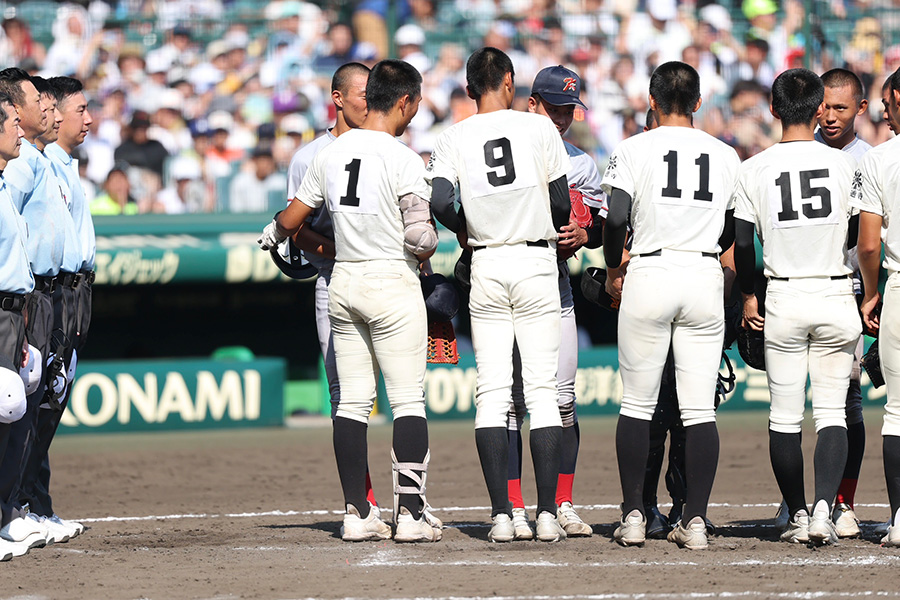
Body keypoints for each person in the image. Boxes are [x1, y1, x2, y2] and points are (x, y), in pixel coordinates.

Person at [258, 59, 440, 543]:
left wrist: (272, 231)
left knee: (352, 404)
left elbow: (292, 218)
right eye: (416, 104)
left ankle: (358, 513)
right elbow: (421, 238)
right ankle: (412, 515)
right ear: (402, 101)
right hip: (390, 282)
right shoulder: (404, 158)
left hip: (343, 283)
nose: (416, 113)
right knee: (406, 400)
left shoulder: (329, 153)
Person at [428, 47, 571, 543]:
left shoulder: (453, 135)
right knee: (543, 392)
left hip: (486, 262)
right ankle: (548, 513)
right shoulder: (539, 129)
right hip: (535, 261)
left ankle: (501, 516)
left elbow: (440, 200)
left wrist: (470, 228)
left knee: (491, 394)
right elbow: (558, 202)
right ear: (509, 82)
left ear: (469, 88)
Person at [602, 61, 740, 550]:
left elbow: (616, 215)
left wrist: (614, 267)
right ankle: (696, 521)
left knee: (637, 404)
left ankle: (635, 515)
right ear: (699, 102)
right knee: (700, 410)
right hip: (702, 271)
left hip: (651, 269)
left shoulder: (633, 148)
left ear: (651, 101)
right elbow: (735, 232)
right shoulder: (725, 153)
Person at [735, 68, 860, 546]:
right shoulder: (848, 166)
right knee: (831, 412)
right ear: (818, 109)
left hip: (783, 294)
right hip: (835, 290)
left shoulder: (754, 168)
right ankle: (827, 508)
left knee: (784, 417)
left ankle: (799, 515)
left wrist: (748, 295)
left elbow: (743, 245)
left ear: (773, 108)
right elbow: (857, 234)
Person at [505, 65, 603, 540]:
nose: (562, 117)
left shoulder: (580, 162)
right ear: (531, 103)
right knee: (508, 402)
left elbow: (602, 222)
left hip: (555, 283)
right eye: (554, 107)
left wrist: (585, 233)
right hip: (503, 282)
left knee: (563, 401)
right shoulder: (500, 152)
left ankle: (561, 502)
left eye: (569, 109)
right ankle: (513, 506)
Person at [773, 67, 870, 539]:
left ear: (861, 110)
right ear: (813, 107)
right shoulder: (807, 158)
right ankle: (807, 503)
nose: (830, 117)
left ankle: (840, 501)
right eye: (825, 107)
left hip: (849, 289)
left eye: (841, 108)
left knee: (847, 404)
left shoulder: (869, 160)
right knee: (818, 407)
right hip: (829, 289)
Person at [0, 69, 81, 551]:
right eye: (37, 103)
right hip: (25, 301)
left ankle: (23, 506)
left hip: (37, 299)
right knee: (16, 407)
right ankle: (16, 507)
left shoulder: (44, 161)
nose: (48, 110)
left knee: (35, 404)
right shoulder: (23, 165)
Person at [854, 66, 900, 548]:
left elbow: (868, 246)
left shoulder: (879, 159)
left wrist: (872, 291)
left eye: (888, 105)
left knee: (898, 413)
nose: (884, 115)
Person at [0, 92, 36, 560]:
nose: (20, 129)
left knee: (12, 411)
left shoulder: (6, 184)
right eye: (11, 121)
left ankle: (8, 514)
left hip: (13, 311)